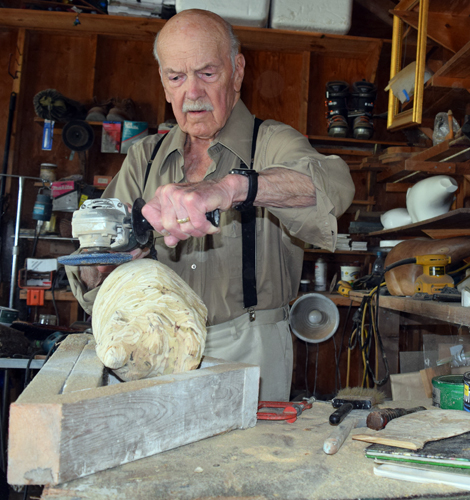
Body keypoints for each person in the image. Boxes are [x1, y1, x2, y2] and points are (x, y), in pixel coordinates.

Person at [66, 9, 355, 401]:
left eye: (207, 73)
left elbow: (333, 188)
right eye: (176, 77)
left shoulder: (270, 143)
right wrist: (103, 262)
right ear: (164, 85)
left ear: (237, 72)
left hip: (250, 347)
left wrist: (232, 188)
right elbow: (94, 259)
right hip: (155, 343)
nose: (192, 93)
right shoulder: (144, 158)